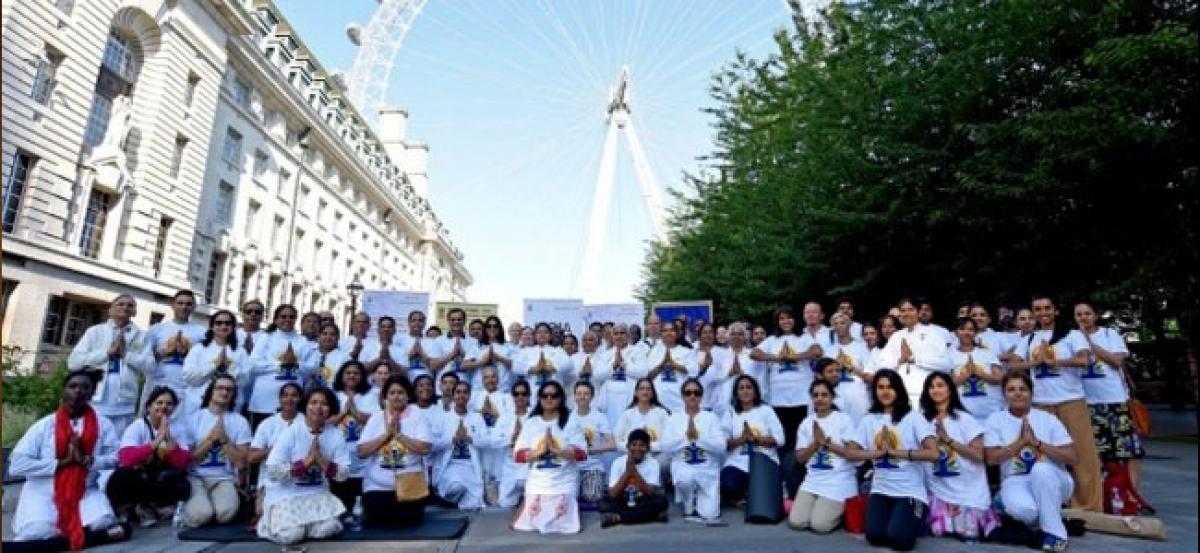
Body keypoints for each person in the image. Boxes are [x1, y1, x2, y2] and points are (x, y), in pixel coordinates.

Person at [7, 370, 130, 551]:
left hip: (84, 491)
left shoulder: (103, 425)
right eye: (73, 386)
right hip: (43, 492)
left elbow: (118, 458)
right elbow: (16, 465)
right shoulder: (44, 425)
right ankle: (73, 537)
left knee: (102, 522)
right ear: (63, 390)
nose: (78, 391)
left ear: (92, 393)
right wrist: (61, 463)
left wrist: (89, 460)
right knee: (39, 530)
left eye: (85, 387)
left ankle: (59, 540)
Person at [1009, 294, 1100, 512]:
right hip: (1040, 404)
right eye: (1037, 309)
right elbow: (1014, 365)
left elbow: (1084, 360)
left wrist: (1055, 361)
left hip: (1070, 401)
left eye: (1046, 308)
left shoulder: (1072, 334)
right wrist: (1034, 362)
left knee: (1082, 456)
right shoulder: (1029, 339)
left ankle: (1088, 507)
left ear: (1055, 310)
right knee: (1045, 456)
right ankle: (1054, 503)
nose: (1042, 313)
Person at [845, 368, 939, 552]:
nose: (885, 392)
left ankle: (915, 519)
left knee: (899, 540)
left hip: (909, 492)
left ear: (899, 390)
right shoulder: (869, 419)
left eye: (890, 387)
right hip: (881, 489)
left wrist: (896, 453)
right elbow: (850, 453)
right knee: (874, 536)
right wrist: (877, 454)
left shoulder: (914, 418)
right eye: (880, 387)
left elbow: (933, 453)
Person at [985, 371, 1078, 553]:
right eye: (1011, 389)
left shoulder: (1047, 419)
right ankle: (1049, 515)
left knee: (1040, 470)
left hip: (1054, 478)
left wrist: (1037, 443)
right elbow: (991, 459)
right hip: (1016, 480)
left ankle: (1057, 535)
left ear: (1031, 393)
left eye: (1023, 389)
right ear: (1004, 394)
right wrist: (1020, 442)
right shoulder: (995, 420)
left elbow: (1073, 457)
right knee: (1027, 512)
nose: (1018, 393)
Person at [1072, 301, 1148, 502]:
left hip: (1115, 401)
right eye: (1078, 314)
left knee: (1129, 450)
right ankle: (1100, 496)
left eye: (1087, 313)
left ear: (1095, 315)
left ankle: (1132, 495)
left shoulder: (1109, 335)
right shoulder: (1071, 338)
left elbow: (1117, 361)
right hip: (1087, 404)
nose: (1083, 318)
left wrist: (1089, 342)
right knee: (1095, 453)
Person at [257, 388, 351, 546]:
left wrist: (321, 460)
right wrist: (306, 462)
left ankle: (306, 526)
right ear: (305, 406)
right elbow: (273, 471)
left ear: (331, 409)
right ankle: (271, 523)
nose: (318, 408)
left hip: (318, 494)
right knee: (292, 536)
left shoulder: (336, 435)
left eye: (324, 404)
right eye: (313, 402)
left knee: (328, 529)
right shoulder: (290, 432)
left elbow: (343, 475)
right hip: (286, 495)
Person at [751, 305, 823, 499]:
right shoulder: (772, 340)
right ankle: (784, 483)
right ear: (777, 322)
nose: (786, 322)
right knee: (783, 443)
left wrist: (793, 356)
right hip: (778, 400)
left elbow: (817, 351)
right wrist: (775, 357)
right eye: (782, 319)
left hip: (801, 399)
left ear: (794, 320)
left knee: (799, 441)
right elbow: (754, 354)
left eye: (789, 318)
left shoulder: (804, 337)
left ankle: (800, 482)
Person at [919, 372, 999, 542]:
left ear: (950, 390)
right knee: (938, 532)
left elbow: (979, 455)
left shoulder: (965, 419)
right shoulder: (922, 421)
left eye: (940, 385)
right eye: (931, 387)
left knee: (969, 534)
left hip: (968, 492)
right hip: (939, 491)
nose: (935, 390)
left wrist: (948, 441)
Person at [66, 294, 155, 435]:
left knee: (117, 445)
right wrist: (107, 354)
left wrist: (126, 354)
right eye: (120, 304)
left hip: (124, 402)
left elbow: (150, 367)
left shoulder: (142, 336)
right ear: (110, 310)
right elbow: (74, 362)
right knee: (91, 440)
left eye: (130, 305)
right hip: (95, 400)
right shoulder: (95, 332)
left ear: (135, 312)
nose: (125, 307)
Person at [107, 386, 193, 528]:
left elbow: (183, 462)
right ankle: (132, 508)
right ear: (149, 407)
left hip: (160, 478)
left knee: (182, 484)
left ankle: (153, 507)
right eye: (159, 403)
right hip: (139, 478)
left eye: (169, 404)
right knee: (122, 476)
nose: (164, 407)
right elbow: (126, 459)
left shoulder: (178, 428)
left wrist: (169, 439)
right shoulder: (137, 427)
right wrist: (156, 441)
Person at [357, 375, 434, 527]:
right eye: (392, 393)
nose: (396, 396)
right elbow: (361, 451)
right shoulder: (376, 418)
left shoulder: (418, 415)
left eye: (400, 392)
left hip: (409, 485)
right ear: (385, 397)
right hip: (377, 486)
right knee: (377, 520)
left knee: (409, 521)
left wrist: (399, 435)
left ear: (408, 396)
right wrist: (386, 436)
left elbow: (425, 448)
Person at [512, 381, 587, 534]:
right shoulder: (531, 423)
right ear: (539, 399)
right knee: (525, 523)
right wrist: (539, 452)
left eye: (554, 395)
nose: (549, 399)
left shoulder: (570, 421)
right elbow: (518, 455)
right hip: (538, 481)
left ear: (561, 399)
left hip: (564, 480)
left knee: (565, 524)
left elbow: (582, 454)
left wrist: (557, 451)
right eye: (545, 395)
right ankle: (525, 503)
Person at [788, 380, 858, 534]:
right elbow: (799, 458)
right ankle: (820, 507)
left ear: (832, 398)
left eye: (824, 395)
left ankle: (839, 510)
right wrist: (815, 444)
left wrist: (827, 444)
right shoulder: (806, 423)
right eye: (816, 395)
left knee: (820, 526)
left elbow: (853, 452)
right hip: (813, 481)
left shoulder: (843, 419)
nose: (820, 399)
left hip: (838, 481)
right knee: (797, 522)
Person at [183, 374, 252, 528]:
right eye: (220, 388)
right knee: (200, 516)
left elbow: (242, 462)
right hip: (196, 477)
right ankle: (188, 507)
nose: (225, 392)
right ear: (211, 391)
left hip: (224, 478)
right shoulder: (194, 419)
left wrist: (224, 440)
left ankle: (211, 504)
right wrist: (210, 440)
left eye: (229, 389)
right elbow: (188, 460)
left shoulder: (239, 422)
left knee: (225, 514)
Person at [660, 378, 726, 525]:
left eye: (696, 393)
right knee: (685, 480)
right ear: (683, 396)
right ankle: (689, 504)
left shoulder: (711, 417)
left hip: (707, 469)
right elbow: (665, 446)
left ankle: (701, 503)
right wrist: (686, 437)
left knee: (710, 515)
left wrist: (698, 437)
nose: (692, 396)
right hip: (684, 466)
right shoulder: (674, 418)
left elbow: (721, 446)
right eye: (688, 393)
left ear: (701, 396)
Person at [719, 374, 785, 506]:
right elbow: (722, 443)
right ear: (736, 394)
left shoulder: (766, 411)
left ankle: (749, 496)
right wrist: (741, 439)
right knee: (727, 484)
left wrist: (756, 439)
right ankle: (745, 495)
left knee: (763, 488)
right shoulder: (731, 413)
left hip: (764, 461)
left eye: (749, 387)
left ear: (755, 392)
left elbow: (780, 440)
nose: (745, 391)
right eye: (741, 388)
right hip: (738, 463)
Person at [876, 297, 953, 405]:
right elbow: (881, 366)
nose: (907, 313)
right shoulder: (896, 336)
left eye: (911, 309)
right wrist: (899, 360)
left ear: (918, 311)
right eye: (903, 311)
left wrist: (914, 359)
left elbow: (946, 365)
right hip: (900, 394)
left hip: (925, 393)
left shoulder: (933, 334)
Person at [247, 383, 302, 526]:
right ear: (279, 399)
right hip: (270, 479)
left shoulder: (306, 422)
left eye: (294, 395)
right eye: (285, 395)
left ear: (300, 399)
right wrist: (274, 449)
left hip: (300, 478)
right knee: (262, 513)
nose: (289, 399)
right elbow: (251, 458)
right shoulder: (267, 424)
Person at [249, 304, 310, 429]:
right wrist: (281, 365)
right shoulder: (266, 338)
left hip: (293, 400)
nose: (287, 319)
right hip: (265, 401)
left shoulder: (303, 341)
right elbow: (253, 365)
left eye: (291, 317)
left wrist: (296, 365)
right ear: (276, 319)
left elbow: (311, 368)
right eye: (283, 316)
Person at [143, 290, 207, 408]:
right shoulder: (156, 329)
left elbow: (205, 361)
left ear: (194, 307)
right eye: (180, 303)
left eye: (188, 304)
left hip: (186, 387)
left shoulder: (201, 332)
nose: (184, 307)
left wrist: (187, 354)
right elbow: (144, 359)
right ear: (173, 305)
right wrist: (165, 353)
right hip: (158, 383)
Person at [432, 380, 489, 510]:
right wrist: (453, 439)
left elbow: (486, 440)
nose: (461, 395)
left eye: (465, 392)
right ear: (453, 395)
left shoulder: (476, 418)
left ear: (469, 395)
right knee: (456, 487)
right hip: (450, 466)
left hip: (470, 466)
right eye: (458, 392)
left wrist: (470, 439)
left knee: (473, 503)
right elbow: (433, 444)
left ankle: (454, 505)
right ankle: (446, 500)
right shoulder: (443, 417)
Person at [331, 360, 378, 515]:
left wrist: (356, 413)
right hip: (338, 451)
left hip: (362, 450)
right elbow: (323, 422)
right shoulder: (332, 394)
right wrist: (343, 414)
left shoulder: (371, 394)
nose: (352, 376)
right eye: (348, 373)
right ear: (341, 375)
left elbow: (377, 420)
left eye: (356, 373)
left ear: (362, 376)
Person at [181, 309, 250, 415]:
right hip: (198, 403)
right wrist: (214, 365)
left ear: (233, 327)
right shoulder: (199, 348)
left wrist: (230, 367)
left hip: (229, 405)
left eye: (228, 323)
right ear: (212, 326)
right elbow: (188, 377)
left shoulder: (240, 351)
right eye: (219, 323)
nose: (223, 326)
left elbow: (245, 381)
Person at [599, 429, 670, 527]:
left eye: (642, 445)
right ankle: (652, 516)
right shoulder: (618, 462)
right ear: (627, 447)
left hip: (643, 499)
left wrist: (635, 473)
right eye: (634, 444)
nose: (637, 448)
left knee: (661, 501)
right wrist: (627, 473)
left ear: (648, 448)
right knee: (603, 503)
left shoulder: (653, 463)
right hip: (623, 499)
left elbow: (650, 492)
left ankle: (618, 517)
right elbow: (613, 494)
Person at [569, 381, 616, 508]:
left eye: (586, 394)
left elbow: (612, 444)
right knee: (568, 495)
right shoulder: (567, 417)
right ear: (574, 396)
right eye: (579, 394)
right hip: (572, 467)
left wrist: (590, 450)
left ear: (592, 397)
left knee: (592, 496)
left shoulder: (599, 417)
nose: (582, 397)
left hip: (592, 466)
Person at [947, 317, 1004, 422]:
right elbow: (947, 385)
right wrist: (965, 376)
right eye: (962, 329)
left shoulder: (987, 353)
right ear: (955, 332)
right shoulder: (948, 355)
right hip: (963, 414)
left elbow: (1000, 379)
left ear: (975, 332)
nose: (966, 332)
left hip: (991, 411)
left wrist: (980, 373)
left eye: (970, 329)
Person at [706, 322, 764, 418]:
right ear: (728, 336)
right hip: (724, 403)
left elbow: (758, 379)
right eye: (733, 334)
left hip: (747, 402)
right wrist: (729, 373)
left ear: (745, 337)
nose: (736, 336)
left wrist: (743, 375)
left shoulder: (752, 355)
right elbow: (710, 378)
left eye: (740, 334)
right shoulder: (719, 355)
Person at [638, 322, 698, 414]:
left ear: (677, 333)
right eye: (665, 331)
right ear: (661, 334)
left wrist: (674, 364)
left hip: (679, 402)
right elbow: (648, 376)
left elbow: (694, 372)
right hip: (657, 402)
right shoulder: (654, 351)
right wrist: (662, 365)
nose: (668, 333)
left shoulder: (686, 351)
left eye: (671, 330)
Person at [497, 380, 533, 508]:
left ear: (528, 396)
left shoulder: (535, 417)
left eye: (523, 394)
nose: (520, 397)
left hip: (529, 463)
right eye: (516, 394)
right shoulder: (505, 417)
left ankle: (526, 497)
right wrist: (511, 439)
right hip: (510, 463)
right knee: (505, 504)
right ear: (512, 396)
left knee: (522, 482)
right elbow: (494, 439)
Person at [594, 323, 638, 430]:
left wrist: (624, 364)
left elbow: (643, 372)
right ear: (612, 336)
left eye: (622, 333)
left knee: (628, 428)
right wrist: (613, 365)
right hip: (609, 399)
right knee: (610, 428)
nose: (619, 336)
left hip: (629, 397)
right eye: (616, 333)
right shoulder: (605, 354)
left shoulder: (637, 351)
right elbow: (597, 375)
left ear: (628, 336)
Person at [828, 313, 873, 418]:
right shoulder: (829, 350)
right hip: (836, 397)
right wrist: (835, 368)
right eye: (836, 324)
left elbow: (869, 377)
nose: (839, 326)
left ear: (849, 325)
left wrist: (849, 367)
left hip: (858, 397)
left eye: (842, 323)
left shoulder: (861, 347)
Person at [464, 315, 515, 391]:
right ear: (485, 329)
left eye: (495, 326)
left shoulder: (508, 346)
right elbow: (464, 365)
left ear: (500, 328)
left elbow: (516, 365)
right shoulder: (477, 346)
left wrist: (499, 358)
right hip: (479, 390)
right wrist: (482, 362)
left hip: (502, 390)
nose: (492, 329)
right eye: (489, 326)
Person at [515, 322, 574, 387]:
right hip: (533, 390)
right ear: (535, 335)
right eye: (539, 332)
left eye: (546, 332)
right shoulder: (527, 351)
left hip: (554, 390)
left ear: (550, 336)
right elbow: (516, 367)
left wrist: (552, 368)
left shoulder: (558, 351)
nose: (542, 334)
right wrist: (534, 368)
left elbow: (569, 365)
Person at [438, 308, 480, 384]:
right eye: (453, 320)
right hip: (443, 386)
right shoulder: (438, 341)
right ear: (448, 321)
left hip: (465, 386)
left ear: (464, 321)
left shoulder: (474, 342)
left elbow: (477, 364)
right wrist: (452, 354)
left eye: (459, 319)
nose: (456, 322)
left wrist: (463, 354)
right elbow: (434, 365)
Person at [566, 331, 604, 410]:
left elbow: (605, 376)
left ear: (597, 343)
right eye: (585, 340)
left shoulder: (603, 358)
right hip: (575, 399)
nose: (587, 342)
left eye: (590, 340)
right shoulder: (573, 358)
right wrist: (580, 373)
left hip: (596, 398)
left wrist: (592, 373)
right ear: (581, 343)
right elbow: (567, 378)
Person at [304, 323, 349, 391]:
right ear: (319, 336)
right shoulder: (309, 353)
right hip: (307, 395)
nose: (328, 337)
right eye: (325, 334)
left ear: (337, 338)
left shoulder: (344, 358)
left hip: (332, 396)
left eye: (332, 334)